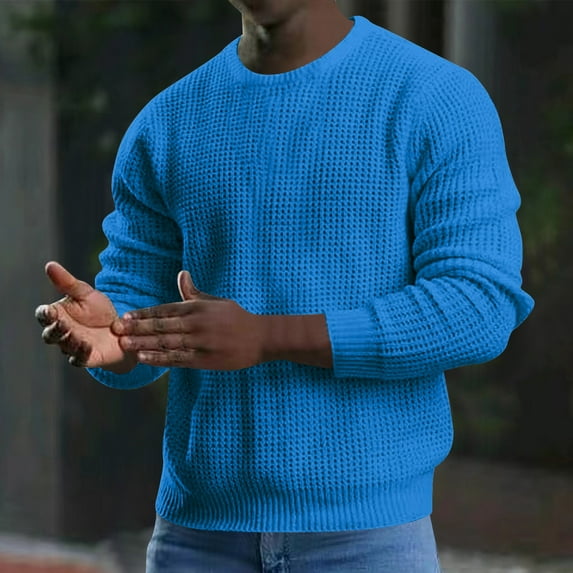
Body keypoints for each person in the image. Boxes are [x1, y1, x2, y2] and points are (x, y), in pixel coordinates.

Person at [35, 0, 535, 571]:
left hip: (367, 541)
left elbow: (478, 306)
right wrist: (115, 337)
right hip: (194, 539)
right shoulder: (168, 121)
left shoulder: (435, 98)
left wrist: (267, 337)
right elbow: (136, 314)